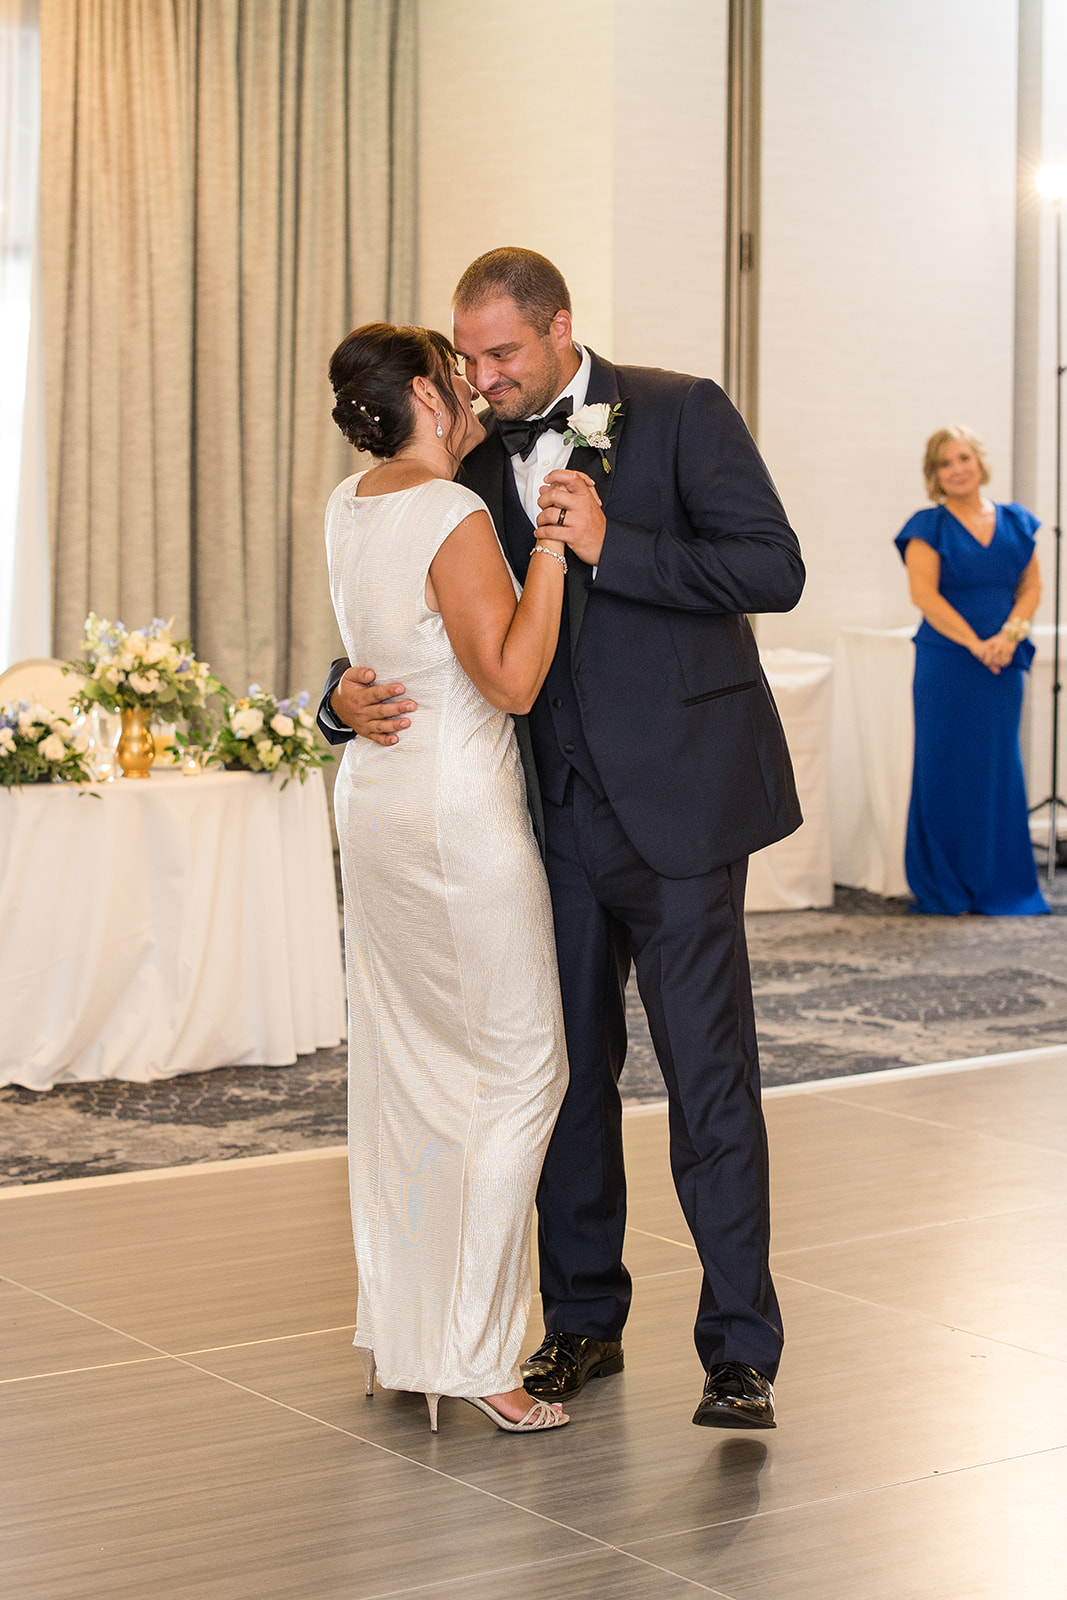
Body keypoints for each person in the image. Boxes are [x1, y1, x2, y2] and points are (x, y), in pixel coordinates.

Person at [320, 249, 805, 1430]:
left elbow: (771, 571)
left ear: (558, 330)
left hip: (682, 814)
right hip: (540, 822)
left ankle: (737, 1350)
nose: (479, 379)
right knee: (565, 1081)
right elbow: (411, 605)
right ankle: (583, 1323)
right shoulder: (463, 463)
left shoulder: (682, 410)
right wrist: (336, 691)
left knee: (708, 1082)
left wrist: (612, 547)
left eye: (501, 355)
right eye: (465, 356)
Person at [325, 320, 582, 1434]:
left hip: (376, 807)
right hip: (453, 824)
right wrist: (554, 550)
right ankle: (477, 1355)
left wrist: (334, 694)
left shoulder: (350, 503)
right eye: (455, 372)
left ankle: (404, 1333)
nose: (474, 388)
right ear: (429, 395)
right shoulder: (451, 510)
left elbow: (382, 652)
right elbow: (514, 680)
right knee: (523, 1071)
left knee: (409, 1074)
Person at [895, 425, 1048, 917]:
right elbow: (924, 597)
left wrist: (1010, 635)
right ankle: (946, 882)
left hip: (1003, 660)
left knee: (997, 766)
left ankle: (999, 881)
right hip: (948, 662)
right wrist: (975, 643)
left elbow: (1031, 587)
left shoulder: (1017, 521)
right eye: (944, 462)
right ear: (934, 475)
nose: (956, 468)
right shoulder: (927, 526)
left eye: (962, 457)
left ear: (979, 463)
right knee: (944, 766)